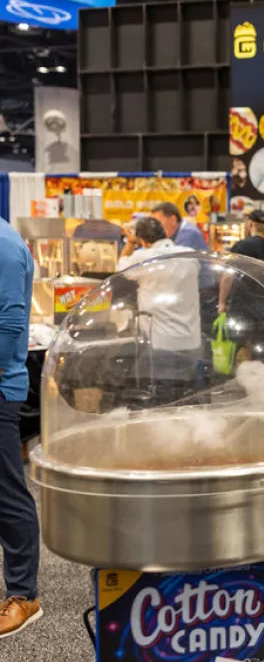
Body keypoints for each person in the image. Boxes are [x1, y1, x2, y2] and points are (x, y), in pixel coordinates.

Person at [0, 216, 41, 638]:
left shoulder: (4, 246)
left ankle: (24, 595)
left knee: (7, 491)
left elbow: (10, 324)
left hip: (0, 387)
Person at [117, 217, 204, 405]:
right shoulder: (189, 255)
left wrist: (130, 242)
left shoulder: (144, 258)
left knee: (163, 396)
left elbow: (121, 269)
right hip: (191, 339)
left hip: (161, 341)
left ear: (143, 241)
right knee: (186, 391)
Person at [218, 210, 264, 362]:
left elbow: (227, 276)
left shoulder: (241, 246)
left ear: (250, 224)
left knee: (242, 353)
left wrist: (222, 303)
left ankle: (243, 383)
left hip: (243, 309)